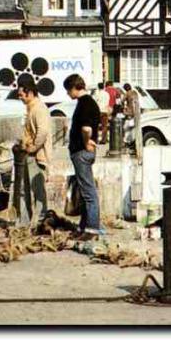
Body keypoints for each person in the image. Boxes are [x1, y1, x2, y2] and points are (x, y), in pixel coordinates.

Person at [64, 74, 102, 239]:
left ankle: (92, 228)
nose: (67, 94)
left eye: (68, 90)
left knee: (88, 192)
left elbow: (86, 128)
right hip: (80, 152)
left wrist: (87, 142)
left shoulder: (86, 103)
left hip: (82, 152)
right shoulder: (87, 102)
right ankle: (84, 226)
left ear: (74, 87)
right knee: (84, 190)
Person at [17, 82, 52, 229]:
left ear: (30, 93)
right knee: (25, 190)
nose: (20, 98)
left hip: (37, 156)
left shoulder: (39, 109)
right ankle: (25, 223)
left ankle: (39, 222)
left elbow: (42, 131)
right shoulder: (31, 109)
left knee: (38, 192)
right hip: (28, 154)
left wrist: (34, 147)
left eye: (21, 95)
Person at [122, 83, 142, 162]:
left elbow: (122, 101)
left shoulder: (127, 94)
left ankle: (127, 142)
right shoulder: (135, 92)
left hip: (130, 113)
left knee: (126, 128)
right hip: (137, 113)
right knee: (134, 129)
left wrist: (125, 108)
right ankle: (133, 144)